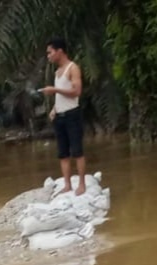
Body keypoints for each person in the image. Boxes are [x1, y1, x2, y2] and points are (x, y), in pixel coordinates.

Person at [40, 37, 87, 195]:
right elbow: (61, 96)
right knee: (63, 153)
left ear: (59, 51)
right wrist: (54, 108)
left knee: (77, 151)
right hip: (60, 116)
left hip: (72, 114)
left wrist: (54, 90)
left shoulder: (73, 68)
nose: (48, 56)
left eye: (50, 52)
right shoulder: (57, 72)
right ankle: (67, 185)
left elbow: (76, 92)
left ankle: (82, 184)